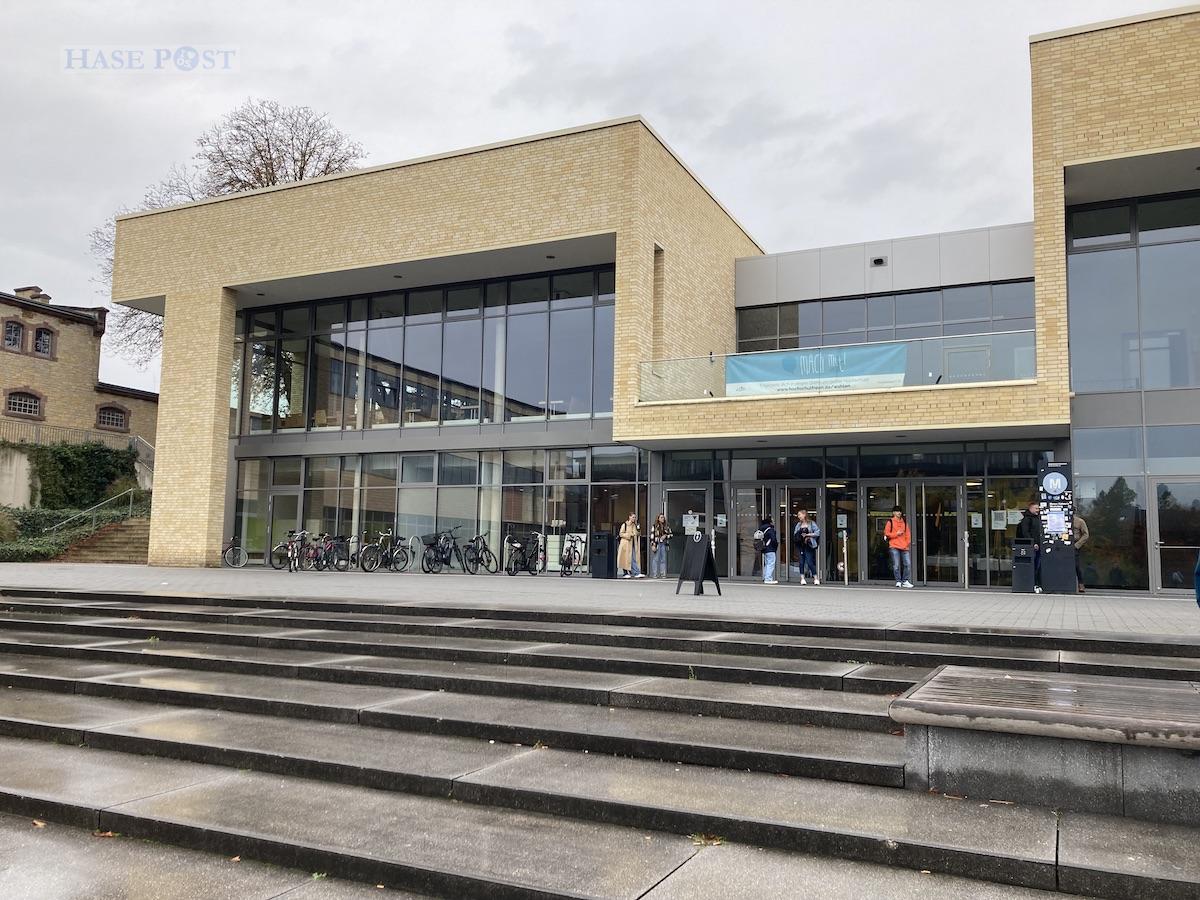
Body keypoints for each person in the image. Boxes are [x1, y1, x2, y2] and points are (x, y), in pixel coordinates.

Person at [1016, 501, 1043, 593]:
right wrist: (1033, 543)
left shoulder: (1037, 519)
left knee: (1038, 566)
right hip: (1032, 547)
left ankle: (1038, 584)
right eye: (1036, 508)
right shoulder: (1026, 520)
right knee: (1034, 566)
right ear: (1030, 508)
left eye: (1038, 508)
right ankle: (1034, 584)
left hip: (1038, 546)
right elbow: (1025, 533)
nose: (1038, 510)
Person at [884, 506, 913, 588]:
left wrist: (907, 543)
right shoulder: (890, 522)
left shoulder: (904, 522)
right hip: (894, 546)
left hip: (904, 546)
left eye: (900, 511)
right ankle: (898, 581)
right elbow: (887, 534)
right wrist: (896, 534)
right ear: (893, 513)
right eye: (897, 511)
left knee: (907, 564)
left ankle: (905, 581)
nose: (899, 513)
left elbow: (908, 534)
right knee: (896, 565)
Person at [794, 510, 820, 585]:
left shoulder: (811, 523)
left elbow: (818, 532)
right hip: (800, 545)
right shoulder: (798, 524)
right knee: (801, 562)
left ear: (804, 515)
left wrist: (808, 535)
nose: (798, 516)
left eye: (800, 515)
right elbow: (795, 534)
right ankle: (802, 578)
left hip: (809, 544)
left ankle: (815, 578)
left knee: (809, 562)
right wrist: (799, 535)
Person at [618, 512, 644, 579]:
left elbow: (637, 534)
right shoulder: (625, 525)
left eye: (635, 517)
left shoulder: (634, 525)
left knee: (632, 559)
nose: (634, 518)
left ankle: (635, 572)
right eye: (633, 517)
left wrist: (638, 530)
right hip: (625, 544)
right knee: (625, 559)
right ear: (629, 517)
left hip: (632, 544)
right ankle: (627, 573)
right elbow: (621, 534)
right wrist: (629, 535)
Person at [650, 513, 673, 579]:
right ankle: (655, 574)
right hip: (657, 544)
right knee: (656, 559)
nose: (663, 519)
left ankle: (662, 573)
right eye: (661, 517)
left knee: (663, 559)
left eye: (663, 517)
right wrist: (652, 545)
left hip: (664, 544)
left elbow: (671, 535)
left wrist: (665, 536)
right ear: (658, 518)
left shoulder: (667, 526)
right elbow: (652, 536)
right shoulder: (655, 526)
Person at [1073, 513, 1090, 594]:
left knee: (1076, 565)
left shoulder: (1079, 521)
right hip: (1063, 544)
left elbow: (1086, 535)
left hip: (1075, 545)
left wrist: (1077, 545)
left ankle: (1081, 584)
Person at [760, 515, 779, 584]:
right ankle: (768, 579)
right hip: (770, 548)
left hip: (764, 548)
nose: (774, 522)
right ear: (770, 522)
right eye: (773, 521)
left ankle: (765, 577)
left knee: (767, 563)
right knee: (770, 563)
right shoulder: (770, 529)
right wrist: (776, 546)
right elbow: (773, 539)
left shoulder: (762, 529)